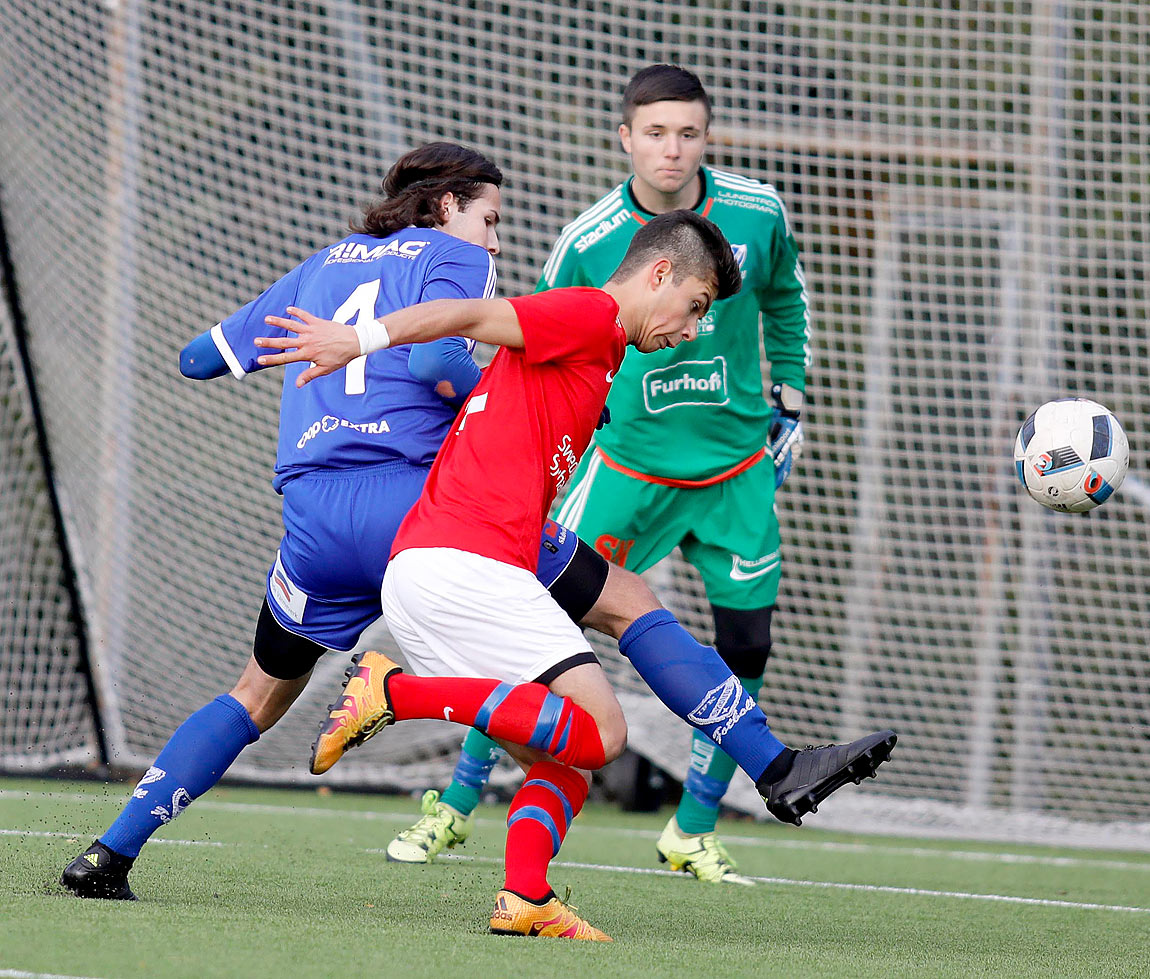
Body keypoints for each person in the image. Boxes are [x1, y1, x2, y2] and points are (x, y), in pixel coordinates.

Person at [60, 144, 884, 908]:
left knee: (256, 696)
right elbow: (436, 354)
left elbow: (198, 359)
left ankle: (112, 850)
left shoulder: (319, 268)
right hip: (426, 508)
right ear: (446, 206)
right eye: (490, 217)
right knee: (624, 612)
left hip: (312, 518)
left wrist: (332, 349)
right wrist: (481, 394)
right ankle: (767, 763)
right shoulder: (455, 258)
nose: (494, 239)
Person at [254, 209, 896, 940]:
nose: (691, 330)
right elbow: (466, 313)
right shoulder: (590, 314)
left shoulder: (603, 350)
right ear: (659, 273)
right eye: (695, 307)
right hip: (464, 564)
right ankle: (393, 689)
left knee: (569, 746)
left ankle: (526, 895)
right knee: (602, 731)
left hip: (457, 563)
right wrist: (359, 338)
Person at [405, 64, 812, 885]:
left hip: (735, 466)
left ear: (708, 136)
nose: (673, 149)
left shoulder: (758, 212)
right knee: (538, 627)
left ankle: (692, 828)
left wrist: (790, 394)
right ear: (626, 137)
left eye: (689, 132)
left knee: (746, 644)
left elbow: (786, 302)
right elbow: (527, 339)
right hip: (622, 466)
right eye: (656, 132)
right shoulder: (590, 242)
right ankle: (457, 797)